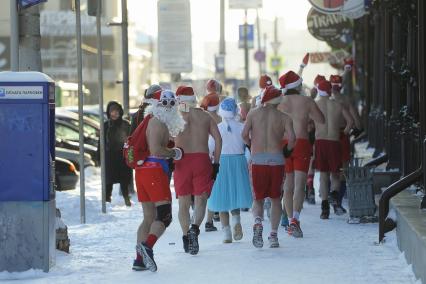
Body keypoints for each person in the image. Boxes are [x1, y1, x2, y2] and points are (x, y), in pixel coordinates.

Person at [133, 89, 186, 272]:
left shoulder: (153, 121)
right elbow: (156, 150)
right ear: (157, 104)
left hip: (143, 171)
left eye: (173, 103)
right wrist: (175, 152)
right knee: (164, 215)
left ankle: (139, 260)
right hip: (153, 171)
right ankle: (147, 246)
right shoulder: (158, 123)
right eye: (165, 103)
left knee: (148, 217)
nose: (170, 107)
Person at [242, 85, 295, 248]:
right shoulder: (284, 117)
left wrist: (251, 146)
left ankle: (258, 223)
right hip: (277, 160)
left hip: (258, 160)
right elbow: (293, 138)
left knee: (257, 199)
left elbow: (244, 135)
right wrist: (286, 151)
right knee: (275, 200)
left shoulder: (253, 113)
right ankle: (273, 235)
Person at [174, 85, 222, 255]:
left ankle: (186, 236)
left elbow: (165, 141)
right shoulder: (205, 115)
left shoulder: (175, 117)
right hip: (202, 159)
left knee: (183, 203)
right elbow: (218, 139)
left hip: (181, 160)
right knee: (201, 200)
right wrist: (216, 163)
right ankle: (194, 228)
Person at [277, 71, 325, 238]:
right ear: (297, 86)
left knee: (287, 185)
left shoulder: (278, 101)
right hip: (301, 143)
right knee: (299, 185)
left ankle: (290, 220)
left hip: (283, 144)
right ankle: (295, 220)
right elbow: (321, 119)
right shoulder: (306, 101)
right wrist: (307, 115)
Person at [207, 98, 253, 243]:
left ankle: (226, 233)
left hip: (222, 162)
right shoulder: (242, 126)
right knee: (235, 195)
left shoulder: (218, 127)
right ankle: (236, 220)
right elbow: (248, 142)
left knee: (222, 199)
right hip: (239, 161)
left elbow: (210, 148)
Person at [313, 80, 353, 219]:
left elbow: (309, 124)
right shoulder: (338, 104)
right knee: (335, 174)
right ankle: (334, 195)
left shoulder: (315, 104)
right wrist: (343, 133)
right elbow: (350, 122)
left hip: (320, 142)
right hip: (334, 142)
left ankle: (324, 209)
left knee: (323, 176)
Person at [330, 74, 363, 212]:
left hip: (327, 137)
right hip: (342, 136)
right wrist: (356, 130)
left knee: (331, 171)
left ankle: (327, 200)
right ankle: (337, 201)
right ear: (341, 86)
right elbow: (357, 122)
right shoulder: (345, 100)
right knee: (343, 170)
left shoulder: (324, 100)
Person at [200, 80, 222, 231]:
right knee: (215, 188)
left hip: (203, 154)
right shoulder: (220, 118)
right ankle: (210, 219)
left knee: (205, 188)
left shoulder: (201, 116)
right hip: (217, 155)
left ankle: (205, 218)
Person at [100, 101, 132, 206]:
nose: (114, 114)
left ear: (120, 112)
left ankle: (127, 200)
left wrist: (131, 157)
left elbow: (131, 141)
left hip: (123, 157)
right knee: (108, 181)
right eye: (111, 111)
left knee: (124, 181)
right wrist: (98, 156)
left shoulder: (126, 124)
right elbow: (100, 142)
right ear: (108, 113)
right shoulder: (105, 125)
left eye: (116, 111)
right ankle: (107, 201)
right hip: (109, 158)